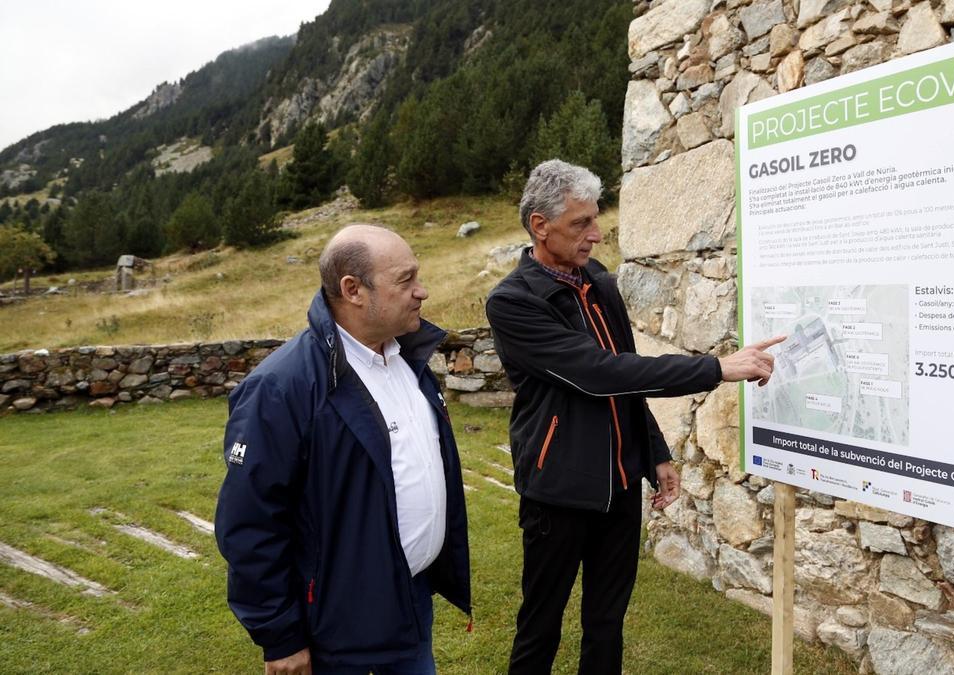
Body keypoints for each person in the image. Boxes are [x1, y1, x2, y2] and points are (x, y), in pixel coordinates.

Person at [485, 160, 782, 674]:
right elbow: (599, 373)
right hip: (558, 491)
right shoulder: (512, 302)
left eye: (595, 220)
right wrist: (716, 368)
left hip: (619, 486)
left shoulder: (598, 281)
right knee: (541, 624)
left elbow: (629, 378)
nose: (596, 235)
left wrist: (656, 453)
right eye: (581, 224)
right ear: (540, 225)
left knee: (607, 620)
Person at [215, 224, 471, 675]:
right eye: (406, 280)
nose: (422, 292)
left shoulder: (405, 358)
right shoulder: (282, 387)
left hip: (408, 600)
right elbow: (250, 522)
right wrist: (281, 636)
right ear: (352, 290)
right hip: (340, 627)